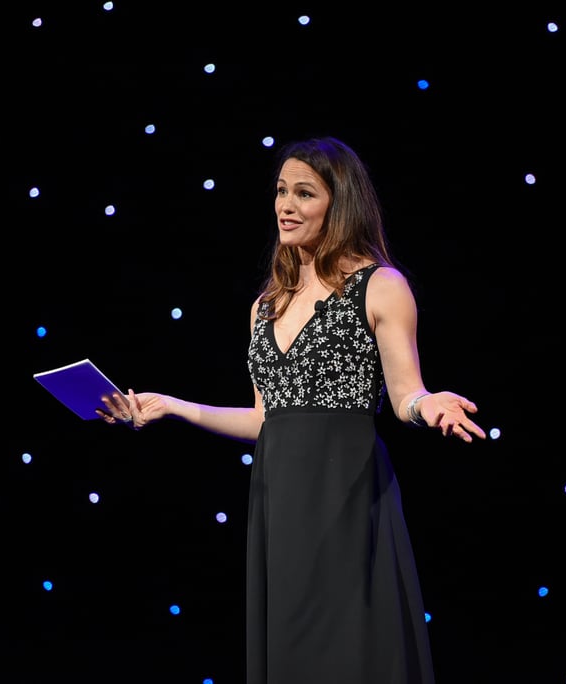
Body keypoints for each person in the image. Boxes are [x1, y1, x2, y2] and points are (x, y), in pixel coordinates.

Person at [96, 136, 486, 684]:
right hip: (280, 501)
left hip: (347, 494)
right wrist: (173, 407)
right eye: (281, 191)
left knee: (352, 648)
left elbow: (404, 396)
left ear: (339, 203)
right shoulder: (266, 304)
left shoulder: (380, 287)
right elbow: (265, 419)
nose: (286, 205)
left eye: (304, 193)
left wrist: (430, 406)